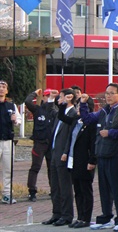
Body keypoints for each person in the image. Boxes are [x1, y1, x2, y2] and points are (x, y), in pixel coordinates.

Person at [80, 84, 118, 230]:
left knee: (117, 188)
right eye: (106, 93)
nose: (108, 96)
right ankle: (106, 216)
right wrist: (83, 104)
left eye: (112, 93)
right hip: (102, 154)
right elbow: (87, 119)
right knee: (104, 189)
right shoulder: (103, 111)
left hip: (115, 155)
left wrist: (111, 133)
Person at [43, 88, 78, 226]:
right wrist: (51, 100)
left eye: (61, 97)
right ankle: (56, 213)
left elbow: (71, 136)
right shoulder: (60, 114)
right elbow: (49, 111)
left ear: (69, 98)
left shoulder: (73, 114)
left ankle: (66, 215)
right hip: (54, 153)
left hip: (63, 154)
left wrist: (66, 152)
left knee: (65, 187)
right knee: (55, 186)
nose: (59, 100)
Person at [62, 96, 97, 229]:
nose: (78, 109)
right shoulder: (76, 121)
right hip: (73, 160)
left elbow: (94, 143)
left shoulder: (91, 123)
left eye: (81, 106)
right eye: (77, 106)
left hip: (85, 160)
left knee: (85, 190)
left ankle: (86, 218)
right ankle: (80, 216)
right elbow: (62, 117)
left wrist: (92, 159)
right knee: (77, 190)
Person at [24, 88, 58, 202]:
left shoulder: (55, 110)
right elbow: (28, 102)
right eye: (46, 95)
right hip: (39, 143)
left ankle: (54, 190)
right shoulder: (37, 109)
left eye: (50, 96)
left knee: (52, 168)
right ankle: (32, 191)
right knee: (35, 167)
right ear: (43, 96)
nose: (48, 98)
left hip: (51, 143)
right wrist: (34, 93)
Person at [0, 80, 22, 204]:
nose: (1, 89)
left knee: (8, 169)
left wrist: (15, 120)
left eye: (4, 87)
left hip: (8, 141)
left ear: (7, 90)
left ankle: (7, 194)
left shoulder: (11, 106)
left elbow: (18, 120)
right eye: (0, 87)